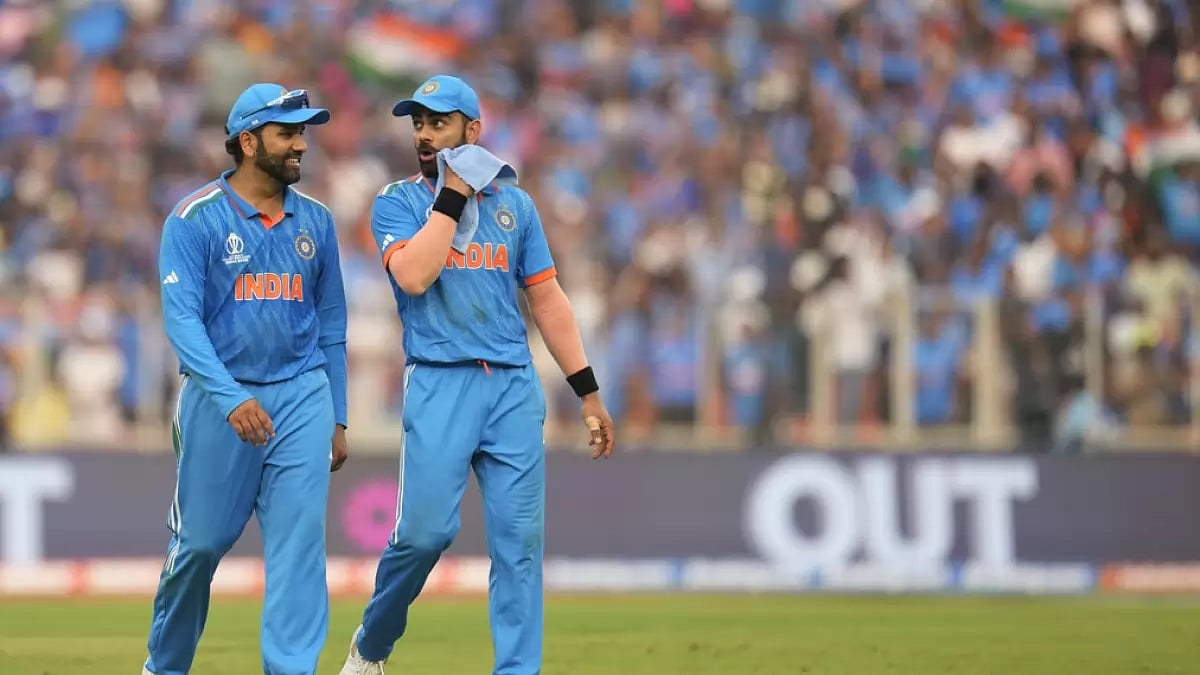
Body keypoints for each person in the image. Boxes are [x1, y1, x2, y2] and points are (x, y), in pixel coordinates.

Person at [339, 74, 615, 675]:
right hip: (440, 382)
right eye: (417, 123)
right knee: (423, 536)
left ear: (472, 130)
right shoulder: (398, 202)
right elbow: (413, 276)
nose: (425, 134)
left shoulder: (516, 207)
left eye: (438, 123)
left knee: (519, 550)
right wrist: (452, 196)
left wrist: (587, 393)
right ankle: (372, 646)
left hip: (512, 387)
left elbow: (548, 302)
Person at [144, 83, 350, 675]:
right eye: (288, 134)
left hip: (302, 395)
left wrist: (336, 411)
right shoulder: (194, 218)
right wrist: (232, 398)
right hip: (219, 395)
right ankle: (165, 666)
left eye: (303, 133)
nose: (300, 145)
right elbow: (181, 322)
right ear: (249, 140)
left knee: (298, 553)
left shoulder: (318, 221)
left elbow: (332, 321)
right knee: (199, 547)